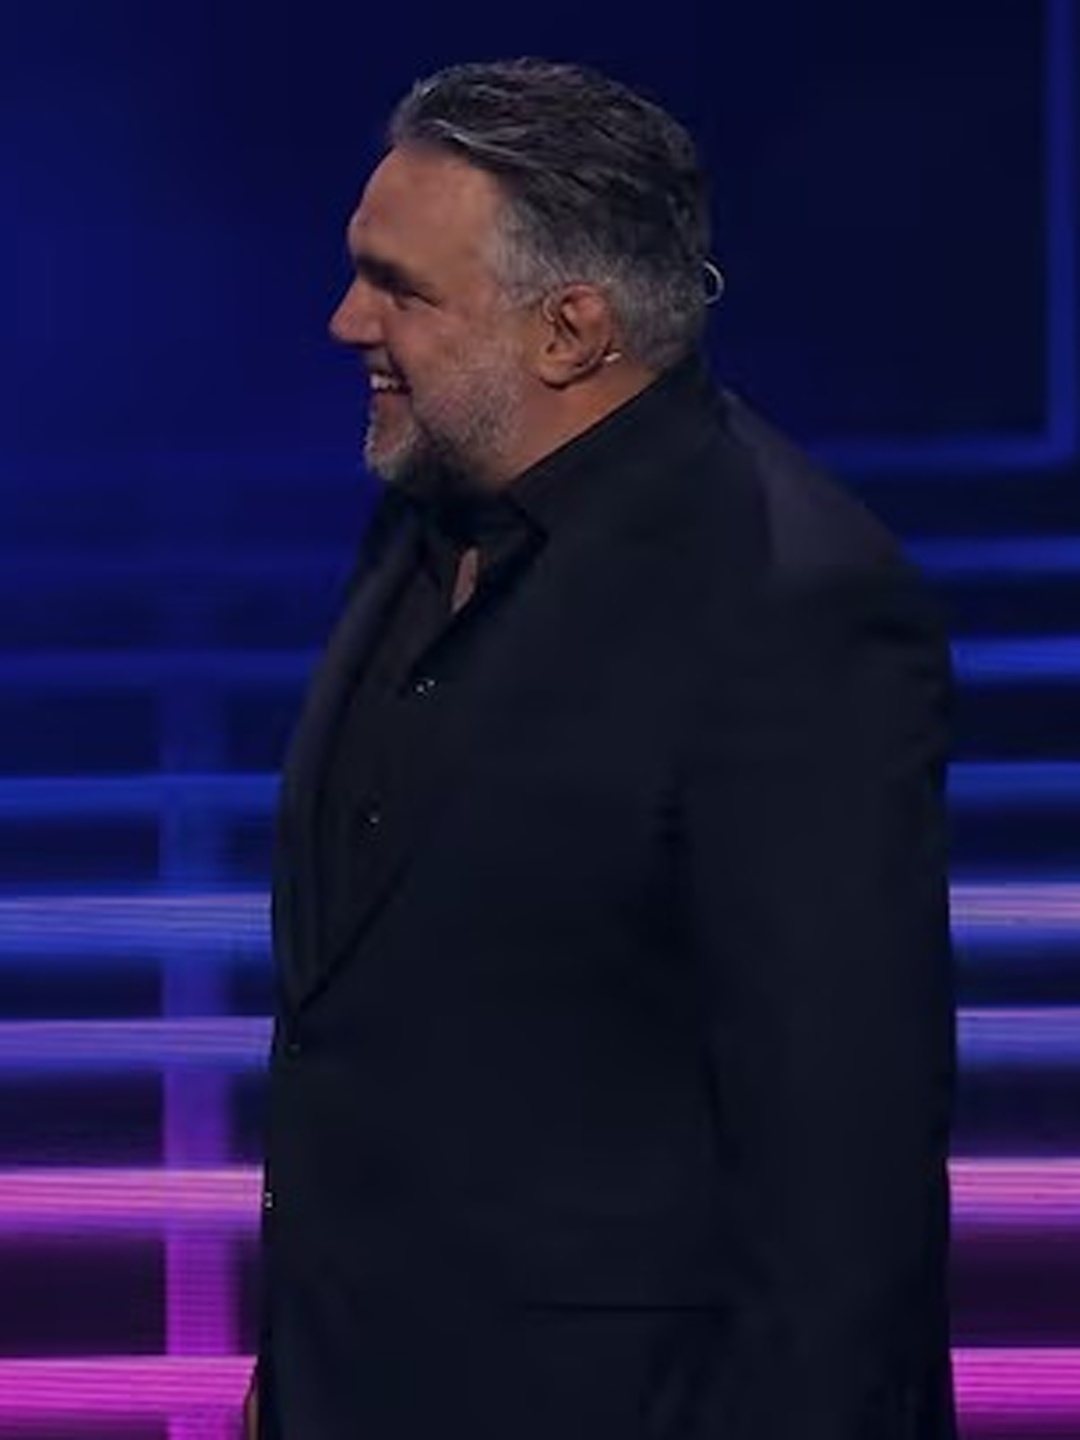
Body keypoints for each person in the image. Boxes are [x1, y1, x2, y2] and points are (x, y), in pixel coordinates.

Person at [250, 56, 957, 1440]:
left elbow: (843, 1165)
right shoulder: (423, 511)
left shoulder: (789, 602)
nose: (345, 321)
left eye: (399, 288)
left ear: (569, 331)